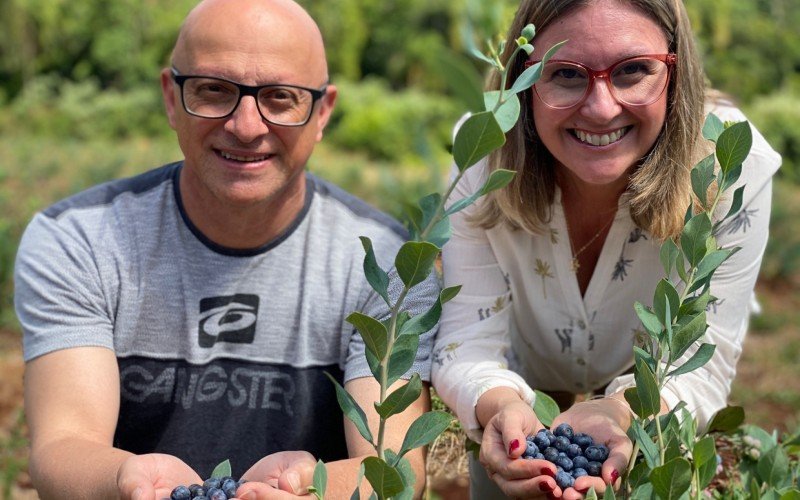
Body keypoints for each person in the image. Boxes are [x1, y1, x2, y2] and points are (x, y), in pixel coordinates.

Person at [14, 0, 438, 498]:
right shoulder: (79, 240)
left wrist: (312, 488)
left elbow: (395, 469)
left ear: (322, 112)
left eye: (280, 98)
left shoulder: (388, 266)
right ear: (171, 98)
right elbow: (63, 446)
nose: (246, 125)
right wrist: (125, 480)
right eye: (215, 91)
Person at [431, 0, 781, 498]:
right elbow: (466, 339)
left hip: (655, 384)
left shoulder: (729, 167)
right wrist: (498, 403)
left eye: (634, 70)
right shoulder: (483, 155)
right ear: (523, 80)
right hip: (524, 363)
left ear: (676, 70)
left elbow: (703, 365)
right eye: (566, 74)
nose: (600, 108)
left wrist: (623, 410)